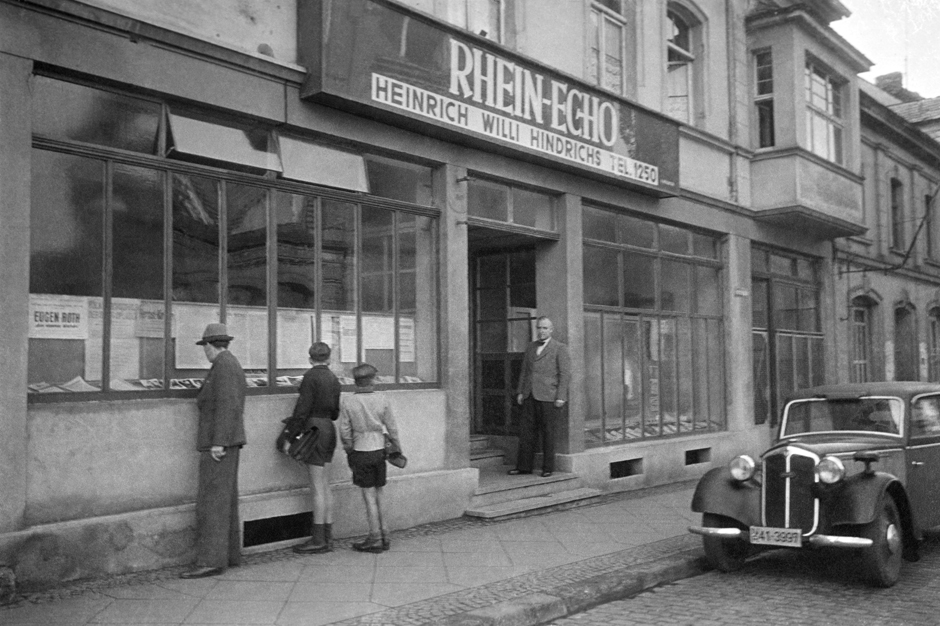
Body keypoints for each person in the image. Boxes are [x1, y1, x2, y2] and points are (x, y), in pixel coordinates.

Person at [181, 323, 247, 579]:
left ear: (210, 345)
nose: (204, 352)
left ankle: (210, 560)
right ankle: (227, 555)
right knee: (224, 500)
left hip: (220, 444)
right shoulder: (227, 364)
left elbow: (227, 407)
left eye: (204, 347)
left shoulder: (224, 367)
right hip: (226, 442)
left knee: (212, 502)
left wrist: (218, 442)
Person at [283, 342, 341, 554]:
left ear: (310, 359)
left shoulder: (310, 377)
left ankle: (318, 540)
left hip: (313, 430)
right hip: (329, 429)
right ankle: (328, 535)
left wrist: (290, 435)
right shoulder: (334, 378)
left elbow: (302, 410)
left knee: (316, 487)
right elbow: (335, 412)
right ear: (329, 358)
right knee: (325, 485)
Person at [338, 363, 400, 553]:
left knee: (368, 496)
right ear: (372, 379)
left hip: (360, 449)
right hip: (379, 449)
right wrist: (397, 448)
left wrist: (348, 448)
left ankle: (374, 537)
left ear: (356, 382)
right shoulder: (382, 399)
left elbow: (344, 430)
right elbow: (392, 427)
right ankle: (385, 532)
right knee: (379, 491)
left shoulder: (348, 401)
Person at [509, 316, 571, 478]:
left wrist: (561, 396)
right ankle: (523, 467)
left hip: (549, 397)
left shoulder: (560, 348)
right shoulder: (531, 347)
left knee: (548, 433)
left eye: (545, 328)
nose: (541, 331)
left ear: (551, 330)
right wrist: (521, 392)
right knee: (526, 432)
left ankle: (547, 468)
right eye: (539, 328)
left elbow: (564, 375)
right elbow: (525, 371)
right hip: (530, 395)